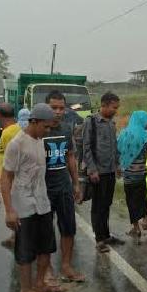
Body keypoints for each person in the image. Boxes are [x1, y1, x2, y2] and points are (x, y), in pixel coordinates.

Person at [0, 103, 64, 292]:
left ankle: (39, 283)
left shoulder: (39, 140)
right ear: (34, 122)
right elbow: (6, 178)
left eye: (50, 128)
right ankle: (25, 291)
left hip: (42, 203)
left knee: (46, 247)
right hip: (24, 205)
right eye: (45, 127)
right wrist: (9, 210)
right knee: (25, 251)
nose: (48, 131)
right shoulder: (17, 144)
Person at [44, 91, 85, 282]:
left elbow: (70, 157)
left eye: (61, 108)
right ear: (46, 108)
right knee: (45, 230)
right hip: (43, 189)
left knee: (68, 227)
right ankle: (47, 269)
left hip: (63, 187)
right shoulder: (38, 130)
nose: (58, 112)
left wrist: (76, 183)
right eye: (54, 108)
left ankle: (67, 265)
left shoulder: (66, 129)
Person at [82, 92, 123, 253]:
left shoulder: (112, 124)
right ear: (104, 105)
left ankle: (106, 235)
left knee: (106, 205)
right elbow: (86, 147)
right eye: (114, 107)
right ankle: (99, 239)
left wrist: (117, 165)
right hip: (98, 172)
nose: (116, 111)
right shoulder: (91, 122)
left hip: (110, 171)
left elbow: (114, 148)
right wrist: (92, 170)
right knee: (98, 206)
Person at [118, 110, 147, 239]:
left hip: (128, 174)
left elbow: (119, 151)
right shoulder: (145, 136)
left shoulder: (124, 134)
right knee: (143, 197)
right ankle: (145, 220)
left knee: (131, 200)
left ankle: (136, 227)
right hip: (143, 173)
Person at [0, 103, 22, 250]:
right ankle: (15, 237)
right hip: (9, 177)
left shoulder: (8, 133)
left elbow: (13, 160)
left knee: (14, 208)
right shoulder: (15, 129)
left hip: (10, 179)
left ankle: (20, 239)